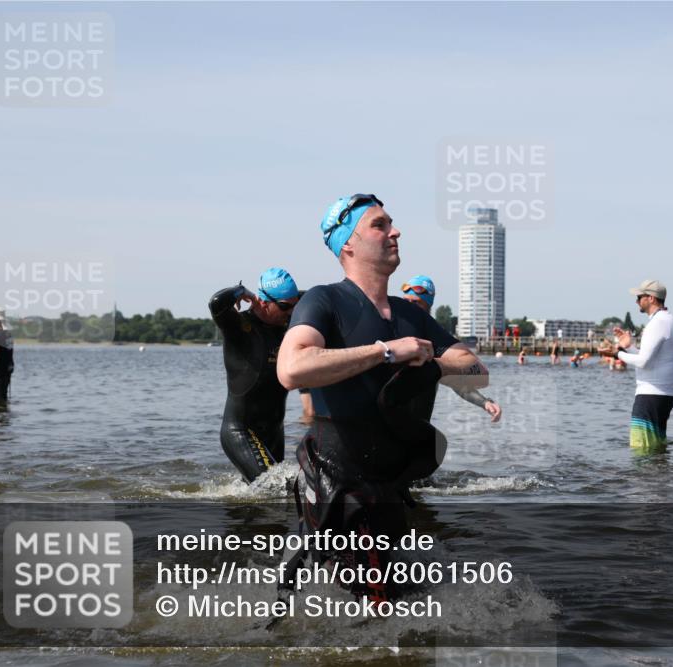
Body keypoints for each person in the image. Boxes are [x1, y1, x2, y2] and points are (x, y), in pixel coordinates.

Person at [276, 194, 489, 600]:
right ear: (348, 244)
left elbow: (478, 371)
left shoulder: (410, 315)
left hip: (390, 479)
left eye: (391, 223)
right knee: (374, 602)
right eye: (380, 224)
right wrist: (386, 352)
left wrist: (434, 363)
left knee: (398, 603)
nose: (395, 231)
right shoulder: (324, 300)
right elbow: (291, 368)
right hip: (336, 473)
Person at [209, 268, 303, 483]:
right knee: (276, 488)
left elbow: (321, 296)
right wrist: (240, 291)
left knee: (268, 505)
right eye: (284, 307)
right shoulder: (239, 326)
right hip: (240, 431)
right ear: (262, 301)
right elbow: (217, 302)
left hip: (274, 432)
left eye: (295, 305)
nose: (290, 312)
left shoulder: (287, 322)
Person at [400, 274, 502, 423]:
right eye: (406, 301)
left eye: (415, 302)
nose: (409, 306)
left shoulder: (435, 339)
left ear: (428, 305)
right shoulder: (393, 326)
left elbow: (454, 381)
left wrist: (484, 402)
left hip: (416, 423)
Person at [600, 280, 673, 453]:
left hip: (650, 395)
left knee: (641, 451)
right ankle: (659, 480)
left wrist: (616, 354)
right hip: (662, 395)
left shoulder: (657, 322)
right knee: (656, 450)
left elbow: (644, 362)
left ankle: (644, 481)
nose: (636, 301)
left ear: (651, 298)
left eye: (639, 297)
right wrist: (629, 347)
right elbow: (650, 359)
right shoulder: (668, 320)